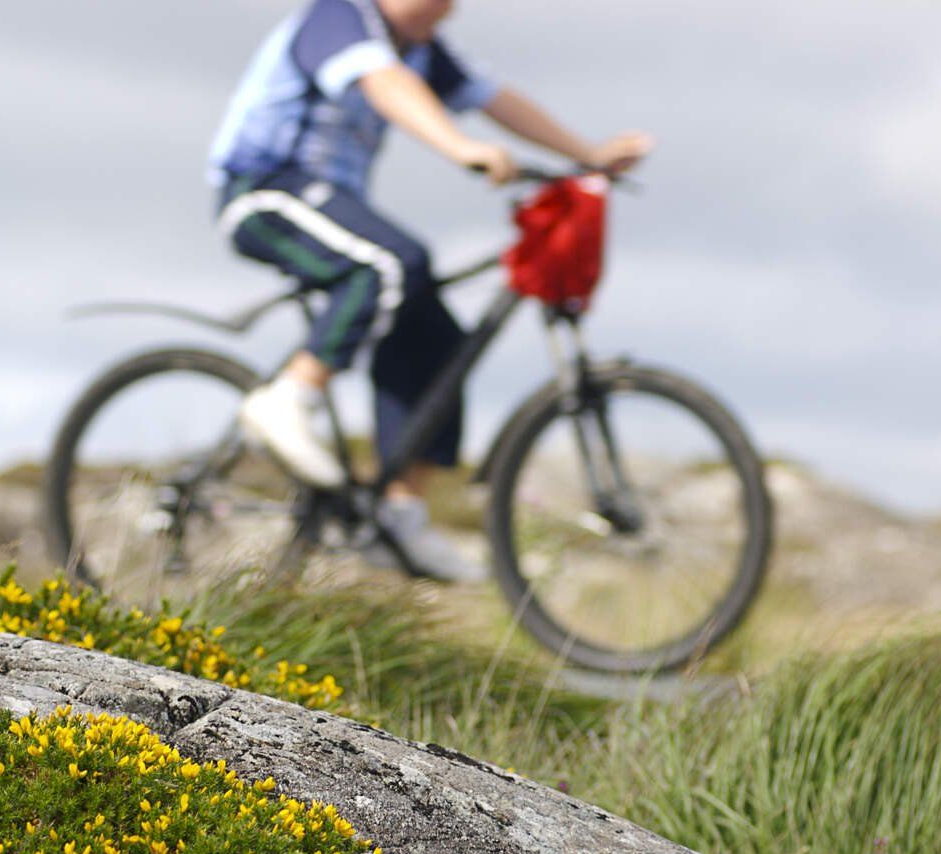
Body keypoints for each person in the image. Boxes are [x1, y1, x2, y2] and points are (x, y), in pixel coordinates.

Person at [207, 0, 650, 582]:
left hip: (332, 206)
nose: (448, 13)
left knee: (437, 336)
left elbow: (495, 99)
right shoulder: (339, 16)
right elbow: (385, 84)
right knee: (393, 261)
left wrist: (586, 155)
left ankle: (398, 513)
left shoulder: (421, 48)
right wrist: (461, 148)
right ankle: (290, 397)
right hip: (264, 192)